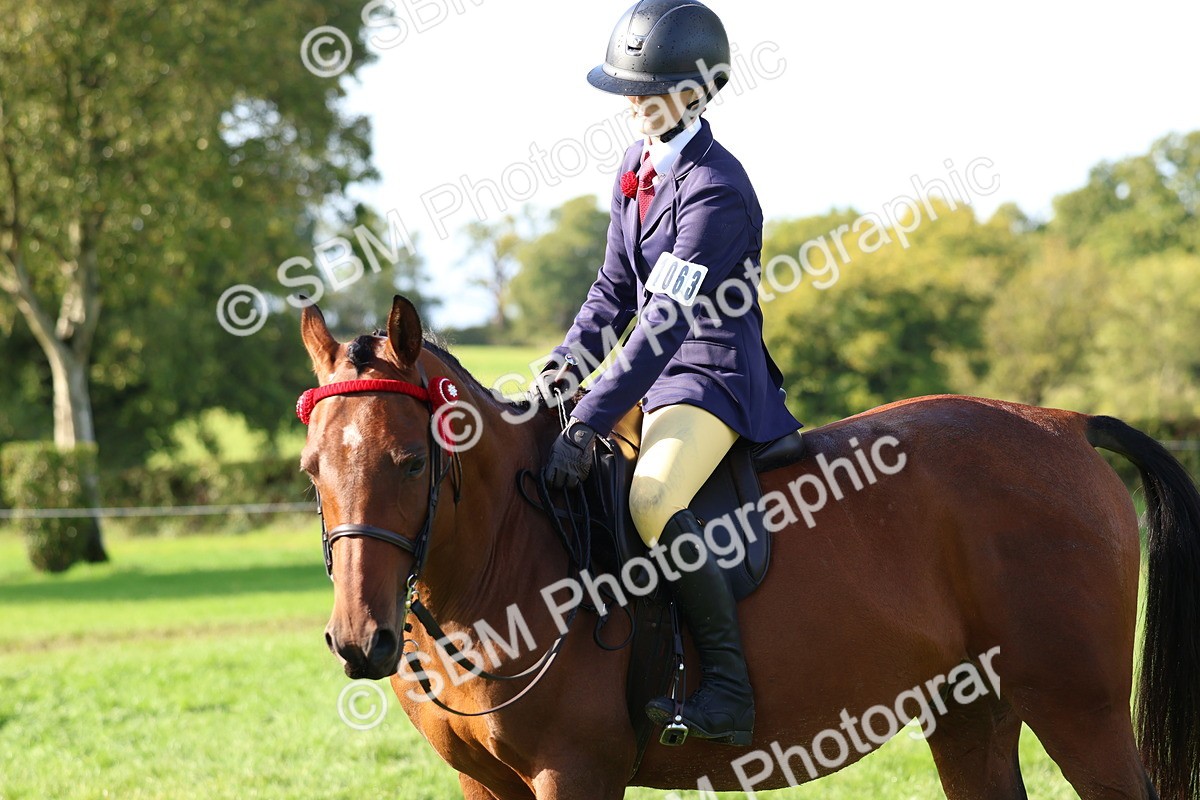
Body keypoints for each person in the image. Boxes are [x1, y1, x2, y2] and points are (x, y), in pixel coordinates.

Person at [531, 0, 801, 747]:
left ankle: (728, 689)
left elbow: (663, 323)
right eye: (627, 87)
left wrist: (590, 417)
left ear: (696, 90)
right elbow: (613, 290)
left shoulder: (717, 189)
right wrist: (562, 372)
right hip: (651, 376)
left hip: (709, 376)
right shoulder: (634, 167)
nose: (631, 100)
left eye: (647, 87)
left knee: (650, 498)